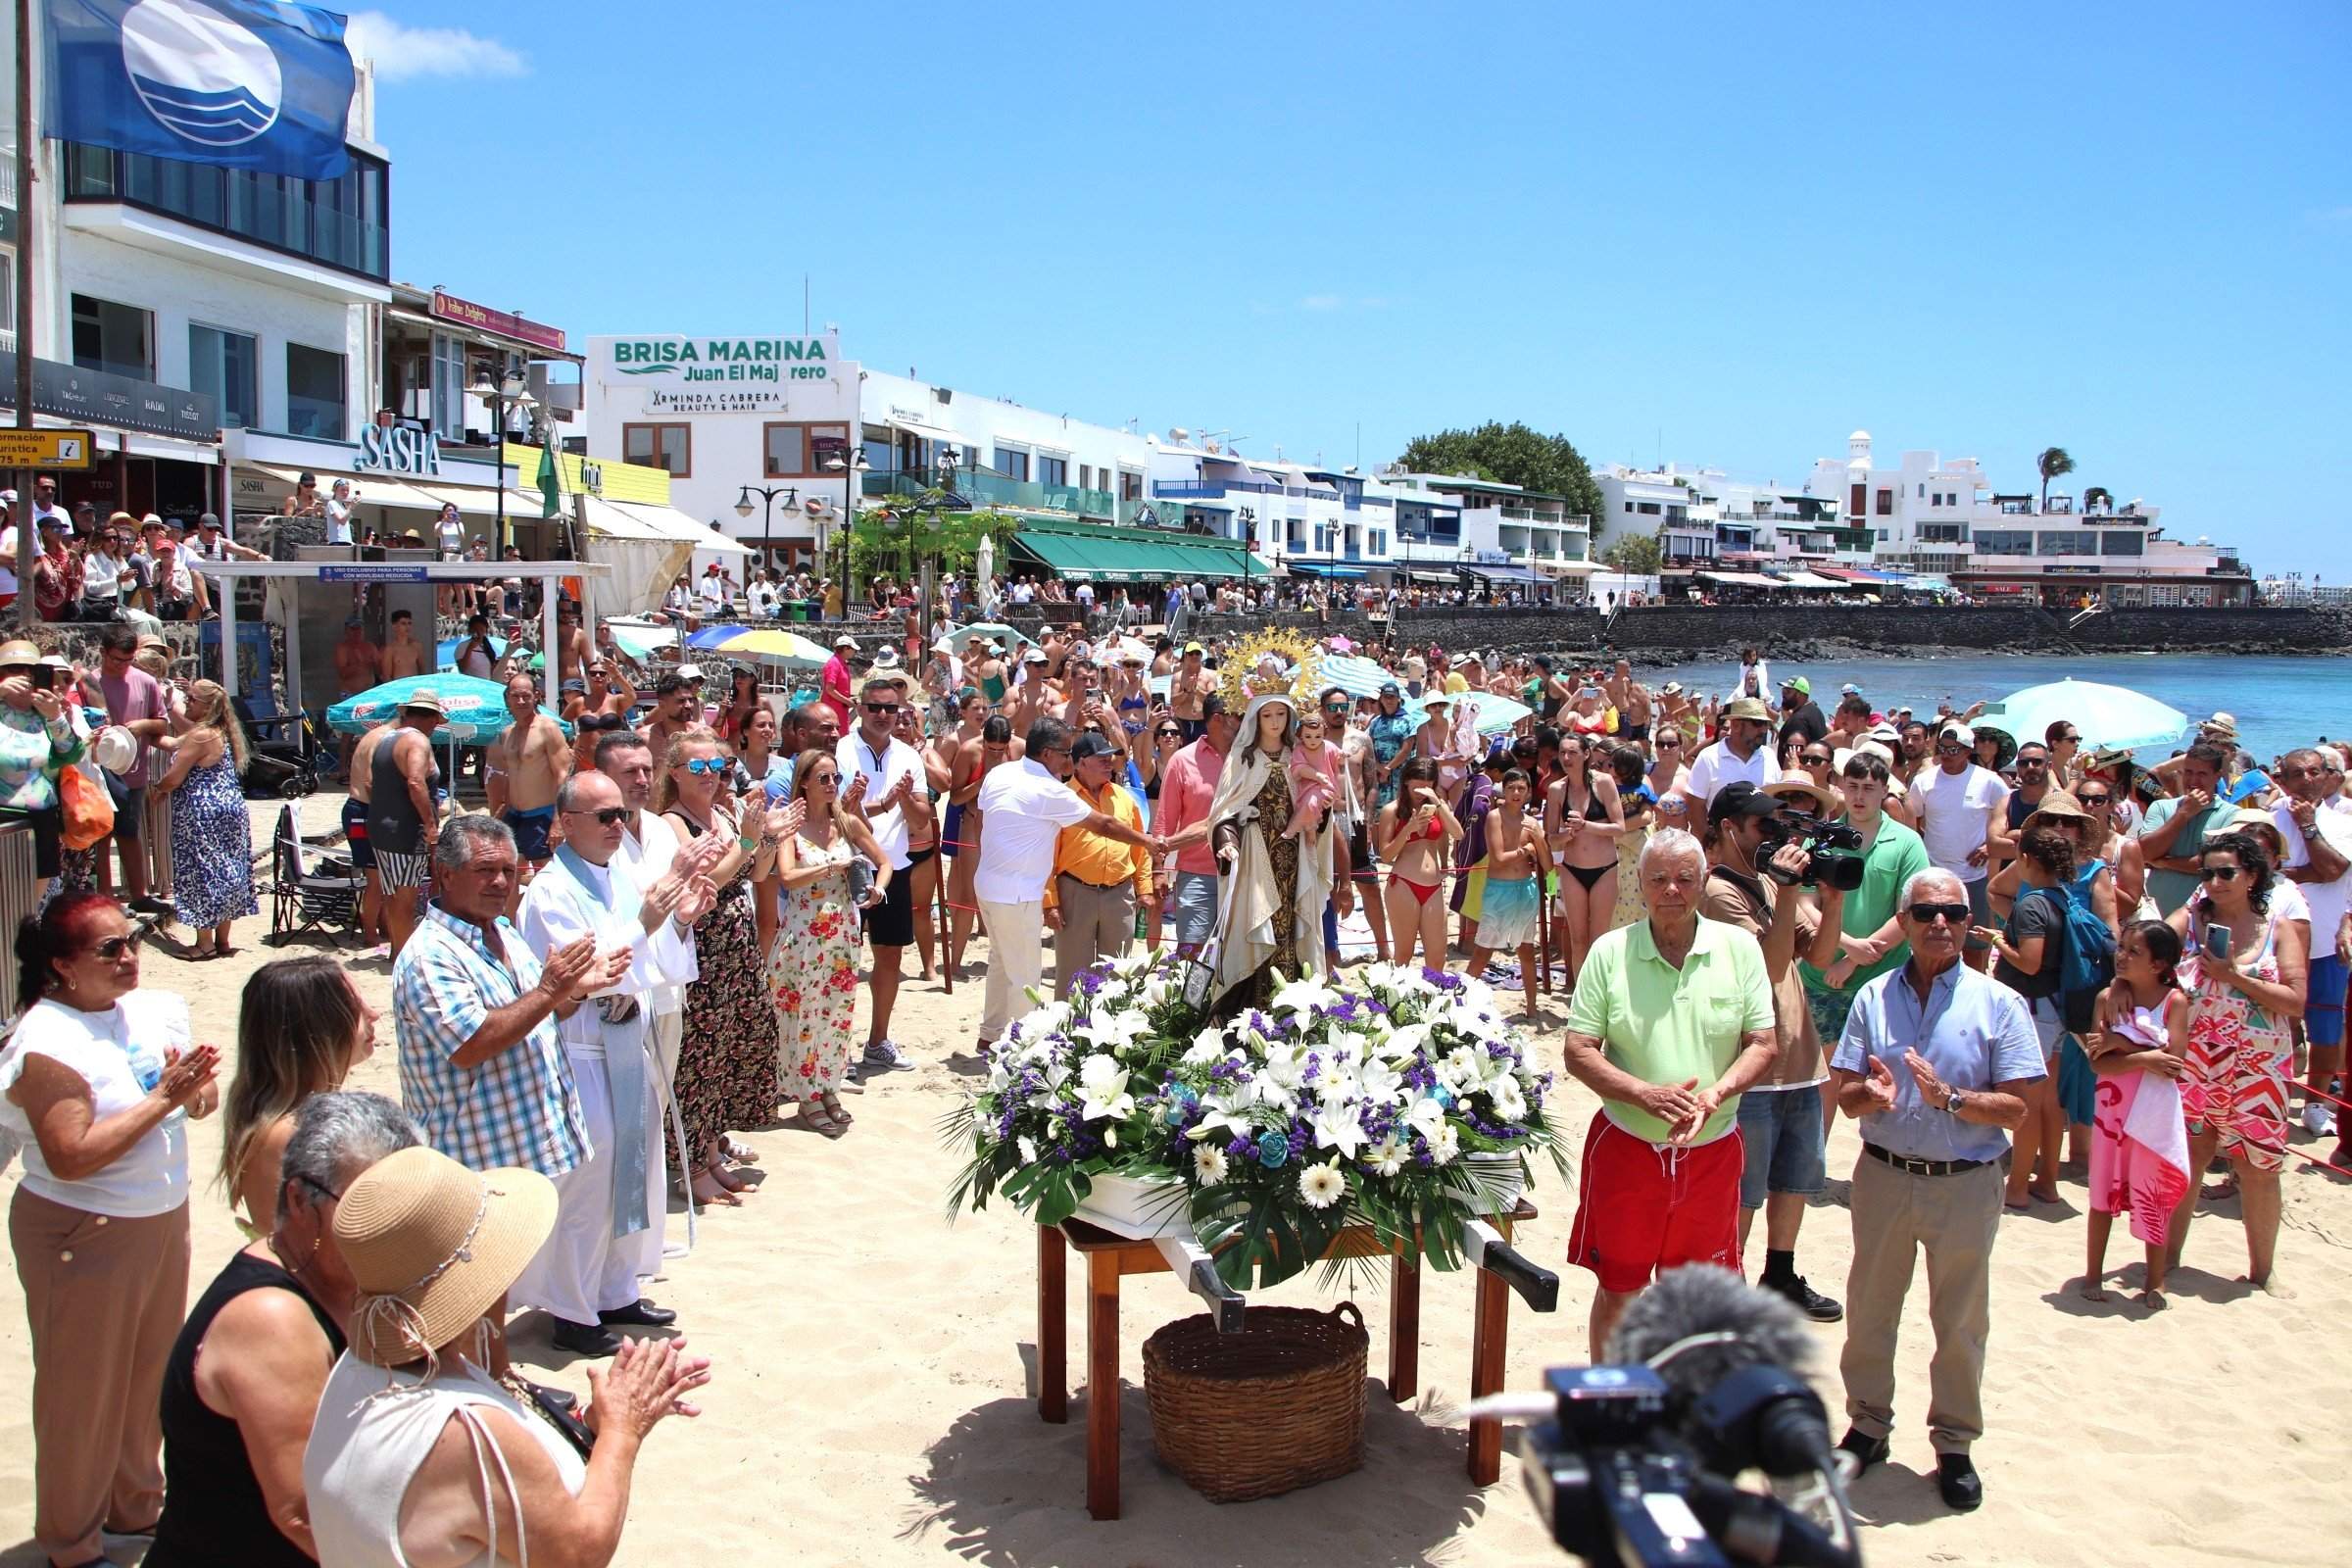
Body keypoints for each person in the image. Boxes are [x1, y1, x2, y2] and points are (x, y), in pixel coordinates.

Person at [301, 1145, 710, 1568]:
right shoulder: (464, 1433)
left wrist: (592, 1426)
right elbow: (579, 1553)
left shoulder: (354, 1371)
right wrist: (624, 1430)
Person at [1, 893, 221, 1568]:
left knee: (146, 1375)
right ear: (62, 967)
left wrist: (191, 1089)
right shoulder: (46, 1041)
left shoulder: (145, 1013)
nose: (129, 957)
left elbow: (198, 1106)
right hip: (84, 1230)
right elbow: (70, 1156)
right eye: (110, 949)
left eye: (132, 941)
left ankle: (133, 1508)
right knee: (82, 1394)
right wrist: (164, 1099)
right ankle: (70, 1542)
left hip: (156, 1218)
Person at [1829, 868, 2042, 1511]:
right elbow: (1843, 1098)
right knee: (1870, 1310)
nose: (1940, 924)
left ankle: (1954, 1441)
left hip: (1965, 1183)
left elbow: (2019, 1107)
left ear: (1967, 918)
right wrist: (1871, 1093)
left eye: (1952, 911)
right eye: (1926, 913)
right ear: (1907, 922)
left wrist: (1951, 1098)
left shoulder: (1998, 1003)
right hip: (1886, 1175)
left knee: (1959, 1320)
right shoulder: (1873, 997)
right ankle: (1867, 1427)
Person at [390, 814, 630, 1354]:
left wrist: (571, 994)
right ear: (444, 875)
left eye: (509, 870)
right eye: (485, 871)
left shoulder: (502, 934)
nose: (502, 882)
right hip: (474, 1156)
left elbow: (539, 1019)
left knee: (494, 1288)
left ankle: (499, 1374)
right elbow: (472, 1042)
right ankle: (486, 1380)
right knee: (466, 1292)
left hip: (523, 1145)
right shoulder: (433, 956)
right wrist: (550, 991)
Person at [148, 1092, 419, 1568]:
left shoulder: (352, 1274)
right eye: (364, 1206)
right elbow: (304, 1513)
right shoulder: (270, 1319)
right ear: (299, 1199)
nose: (389, 1224)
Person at [1560, 828, 1778, 1355]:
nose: (1671, 890)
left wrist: (1718, 1093)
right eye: (1658, 879)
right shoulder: (1610, 952)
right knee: (1620, 1291)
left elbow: (1763, 1043)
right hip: (1627, 1151)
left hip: (1712, 1152)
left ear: (1703, 883)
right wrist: (1644, 1095)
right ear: (1640, 884)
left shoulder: (1741, 949)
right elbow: (1578, 1049)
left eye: (1684, 878)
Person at [515, 769, 707, 1354]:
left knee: (637, 1168)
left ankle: (616, 1289)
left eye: (620, 814)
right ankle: (571, 1309)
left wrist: (679, 917)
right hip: (583, 1050)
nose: (617, 825)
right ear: (567, 823)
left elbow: (656, 954)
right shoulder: (550, 891)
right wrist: (649, 921)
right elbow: (580, 969)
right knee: (590, 1183)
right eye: (603, 817)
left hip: (627, 1042)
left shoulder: (619, 872)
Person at [1698, 782, 1848, 1321]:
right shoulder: (1717, 892)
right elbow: (1771, 964)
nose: (1774, 836)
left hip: (1800, 1057)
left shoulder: (1766, 881)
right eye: (1764, 826)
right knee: (1745, 1189)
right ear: (1730, 828)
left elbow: (1821, 957)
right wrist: (1787, 894)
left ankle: (1780, 1272)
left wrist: (1832, 900)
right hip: (1752, 1063)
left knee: (1794, 1179)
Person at [2165, 831, 2306, 1295]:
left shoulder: (2278, 928)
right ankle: (2167, 1261)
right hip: (2196, 1061)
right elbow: (2147, 950)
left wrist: (2233, 976)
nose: (2215, 882)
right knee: (2189, 1160)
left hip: (2258, 1066)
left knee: (2260, 1167)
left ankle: (2264, 1271)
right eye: (2207, 873)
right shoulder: (2191, 921)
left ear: (2252, 876)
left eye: (2226, 872)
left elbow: (2295, 1001)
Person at [973, 715, 1158, 1050]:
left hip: (989, 884)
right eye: (1065, 753)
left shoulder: (1001, 772)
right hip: (1019, 893)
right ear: (1046, 754)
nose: (1069, 760)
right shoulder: (1049, 790)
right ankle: (1024, 1052)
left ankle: (990, 1035)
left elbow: (985, 815)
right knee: (1025, 978)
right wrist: (1148, 842)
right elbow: (1103, 825)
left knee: (1001, 963)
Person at [661, 727, 785, 1206]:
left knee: (727, 1055)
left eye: (716, 765)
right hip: (703, 953)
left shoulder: (723, 813)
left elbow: (754, 874)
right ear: (675, 773)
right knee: (698, 1061)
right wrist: (749, 843)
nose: (710, 774)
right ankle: (690, 1165)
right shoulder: (671, 823)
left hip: (736, 951)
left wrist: (767, 839)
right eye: (698, 767)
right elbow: (703, 882)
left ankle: (712, 1154)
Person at [1977, 808, 2114, 1208]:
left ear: (2027, 861)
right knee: (2052, 1102)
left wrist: (1999, 942)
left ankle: (2018, 1186)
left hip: (2035, 1009)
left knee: (2029, 1103)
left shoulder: (2034, 904)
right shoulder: (2064, 898)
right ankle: (2047, 1182)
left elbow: (2030, 961)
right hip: (2058, 1007)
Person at [766, 748, 887, 1135]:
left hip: (843, 934)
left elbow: (883, 862)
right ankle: (806, 1094)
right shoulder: (792, 828)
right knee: (803, 1015)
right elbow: (786, 876)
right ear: (804, 782)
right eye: (823, 779)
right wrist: (832, 867)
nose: (832, 785)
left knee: (835, 1015)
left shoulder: (847, 822)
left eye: (835, 777)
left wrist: (878, 891)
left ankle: (827, 1087)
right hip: (803, 933)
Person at [219, 957, 380, 1235]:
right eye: (355, 1007)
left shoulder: (281, 1119)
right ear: (316, 1030)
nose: (373, 1013)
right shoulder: (292, 1136)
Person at [2078, 921, 2191, 1309]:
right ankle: (2093, 1273)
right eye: (2121, 947)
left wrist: (2121, 1043)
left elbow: (2174, 1062)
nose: (2121, 955)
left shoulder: (2175, 1002)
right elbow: (2098, 1064)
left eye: (2133, 951)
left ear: (2159, 963)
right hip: (2112, 1107)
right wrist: (2143, 1057)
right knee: (2102, 1191)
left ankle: (2155, 1280)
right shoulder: (2106, 999)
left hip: (2154, 1111)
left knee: (2152, 1192)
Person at [838, 671, 926, 1073]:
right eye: (875, 707)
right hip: (843, 869)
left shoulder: (909, 756)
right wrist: (865, 805)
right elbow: (831, 812)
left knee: (889, 958)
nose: (884, 714)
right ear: (859, 708)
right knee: (841, 964)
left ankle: (877, 1041)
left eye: (892, 708)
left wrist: (904, 799)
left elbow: (922, 820)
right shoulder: (840, 751)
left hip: (896, 869)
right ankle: (836, 1052)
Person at [2271, 747, 2352, 1137]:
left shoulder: (2342, 823)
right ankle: (2276, 1096)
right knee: (2276, 1027)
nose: (2307, 779)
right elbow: (2262, 871)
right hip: (2275, 943)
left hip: (2324, 945)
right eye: (2297, 773)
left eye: (2315, 772)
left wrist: (2307, 828)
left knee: (2326, 1030)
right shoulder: (2267, 822)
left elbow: (2336, 868)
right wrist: (2312, 871)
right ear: (2282, 779)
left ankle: (2317, 1104)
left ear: (2327, 776)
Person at [146, 678, 256, 958]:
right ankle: (222, 940)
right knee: (227, 868)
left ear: (206, 706)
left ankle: (204, 943)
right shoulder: (220, 731)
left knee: (201, 870)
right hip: (230, 808)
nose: (187, 703)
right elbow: (178, 735)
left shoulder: (201, 735)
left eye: (192, 699)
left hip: (202, 811)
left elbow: (175, 776)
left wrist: (158, 791)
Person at [1045, 731, 1154, 997]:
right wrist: (1051, 903)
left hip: (1119, 895)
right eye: (1102, 758)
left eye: (1111, 758)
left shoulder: (1124, 797)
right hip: (1075, 893)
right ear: (1081, 763)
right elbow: (1047, 857)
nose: (1110, 762)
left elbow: (1139, 846)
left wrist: (1145, 889)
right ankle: (1068, 1034)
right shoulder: (1061, 799)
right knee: (1073, 975)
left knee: (1117, 976)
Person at [1910, 722, 2006, 969]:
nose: (1946, 755)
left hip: (1975, 877)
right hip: (1935, 875)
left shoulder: (1990, 782)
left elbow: (2008, 816)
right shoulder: (1923, 782)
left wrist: (1988, 847)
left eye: (1954, 750)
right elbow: (1913, 822)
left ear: (1967, 751)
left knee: (1975, 946)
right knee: (1932, 944)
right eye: (1942, 748)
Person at [95, 623, 173, 916]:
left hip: (134, 770)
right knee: (100, 836)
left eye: (128, 660)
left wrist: (142, 726)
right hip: (99, 771)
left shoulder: (145, 681)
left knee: (130, 833)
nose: (122, 666)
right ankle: (105, 896)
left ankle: (139, 894)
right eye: (116, 659)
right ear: (103, 653)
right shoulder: (91, 682)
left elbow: (161, 723)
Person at [1154, 694, 1240, 956]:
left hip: (1244, 872)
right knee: (1190, 952)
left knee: (1238, 956)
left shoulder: (1250, 758)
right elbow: (1165, 818)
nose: (1244, 721)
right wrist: (1158, 871)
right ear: (1217, 719)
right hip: (1197, 874)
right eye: (1238, 716)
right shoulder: (1182, 760)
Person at [0, 637, 86, 882]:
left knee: (32, 907)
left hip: (42, 820)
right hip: (3, 816)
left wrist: (55, 717)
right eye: (14, 669)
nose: (25, 676)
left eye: (33, 670)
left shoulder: (48, 713)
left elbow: (72, 754)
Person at [368, 689, 447, 956]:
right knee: (405, 898)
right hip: (405, 830)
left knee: (392, 895)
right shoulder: (417, 742)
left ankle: (395, 951)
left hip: (381, 826)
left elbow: (371, 783)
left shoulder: (386, 739)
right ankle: (403, 955)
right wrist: (430, 824)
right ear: (432, 718)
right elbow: (415, 781)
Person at [1463, 768, 1545, 1017]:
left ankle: (1532, 1006)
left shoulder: (1531, 822)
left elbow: (1548, 865)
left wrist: (1539, 841)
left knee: (1527, 950)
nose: (1517, 793)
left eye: (1521, 788)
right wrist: (1526, 849)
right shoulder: (1494, 817)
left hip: (1525, 888)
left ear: (1529, 792)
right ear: (1504, 790)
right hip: (1500, 890)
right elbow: (1498, 859)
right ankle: (1459, 1000)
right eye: (1512, 788)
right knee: (1483, 950)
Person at [1547, 731, 1627, 982]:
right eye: (1562, 752)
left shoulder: (1603, 783)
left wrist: (1586, 826)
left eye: (1572, 752)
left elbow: (1619, 827)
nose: (1566, 757)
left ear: (1586, 754)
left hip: (1605, 868)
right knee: (1577, 938)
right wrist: (1568, 835)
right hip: (1572, 869)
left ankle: (1601, 992)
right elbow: (1550, 837)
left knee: (1600, 938)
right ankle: (1582, 994)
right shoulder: (1557, 790)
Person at [2136, 740, 2233, 917]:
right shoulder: (2161, 807)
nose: (2193, 781)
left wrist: (2164, 862)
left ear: (2218, 776)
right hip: (2156, 915)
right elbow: (2145, 853)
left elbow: (2213, 865)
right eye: (2188, 772)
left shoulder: (2231, 815)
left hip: (2202, 917)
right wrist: (2183, 814)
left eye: (2202, 774)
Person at [485, 673, 571, 872]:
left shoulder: (548, 729)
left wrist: (558, 822)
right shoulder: (507, 733)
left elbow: (563, 775)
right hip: (514, 814)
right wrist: (497, 817)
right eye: (515, 696)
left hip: (542, 814)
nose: (521, 701)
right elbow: (507, 779)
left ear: (536, 695)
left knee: (547, 872)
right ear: (508, 698)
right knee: (510, 869)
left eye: (526, 695)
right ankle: (513, 906)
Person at [1682, 696, 1781, 808]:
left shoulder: (1769, 756)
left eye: (1766, 724)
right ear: (1736, 725)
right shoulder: (1708, 758)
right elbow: (1694, 806)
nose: (1764, 730)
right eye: (1758, 723)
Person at [821, 632, 858, 733]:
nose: (854, 652)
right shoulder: (834, 664)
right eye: (853, 650)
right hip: (834, 710)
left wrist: (848, 699)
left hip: (840, 709)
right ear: (846, 649)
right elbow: (830, 689)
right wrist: (847, 701)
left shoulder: (841, 663)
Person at [379, 608, 428, 680]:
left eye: (409, 623)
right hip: (398, 689)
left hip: (414, 688)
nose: (407, 627)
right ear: (394, 626)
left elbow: (423, 672)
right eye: (403, 623)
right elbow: (387, 677)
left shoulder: (417, 646)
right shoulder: (390, 650)